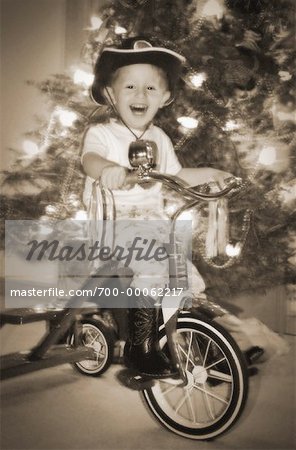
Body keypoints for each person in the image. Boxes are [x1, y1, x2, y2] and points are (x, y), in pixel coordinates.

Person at [81, 37, 275, 379]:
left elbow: (176, 174)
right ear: (111, 94)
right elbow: (90, 160)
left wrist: (211, 173)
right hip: (112, 225)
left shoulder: (159, 138)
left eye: (151, 87)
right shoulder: (103, 134)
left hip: (152, 225)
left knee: (183, 280)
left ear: (165, 97)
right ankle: (139, 348)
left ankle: (198, 348)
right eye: (130, 86)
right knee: (155, 268)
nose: (140, 95)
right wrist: (106, 170)